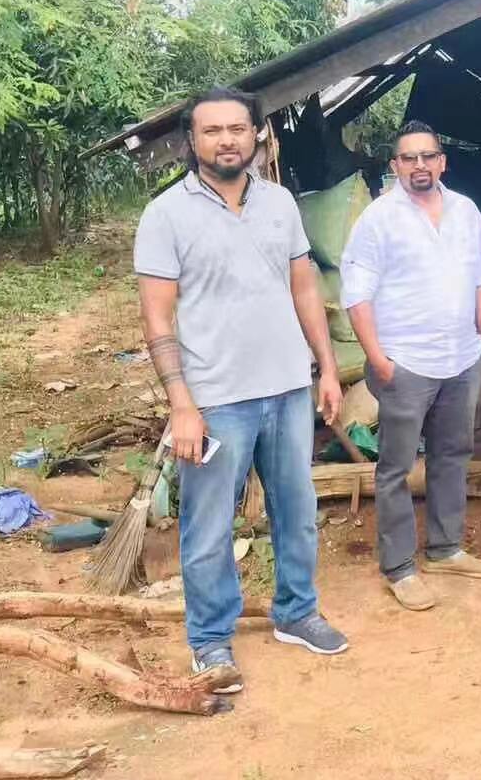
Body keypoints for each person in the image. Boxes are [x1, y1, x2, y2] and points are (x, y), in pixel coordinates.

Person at [133, 86, 348, 694]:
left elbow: (305, 289)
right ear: (192, 141)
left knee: (297, 511)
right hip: (215, 399)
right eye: (212, 130)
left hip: (286, 388)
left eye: (237, 128)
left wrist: (326, 369)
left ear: (258, 134)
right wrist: (182, 405)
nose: (227, 139)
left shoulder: (281, 204)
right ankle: (209, 640)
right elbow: (156, 318)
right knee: (208, 527)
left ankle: (297, 612)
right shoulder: (166, 215)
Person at [340, 121, 481, 611]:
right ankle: (400, 567)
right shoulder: (378, 219)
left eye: (428, 156)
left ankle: (446, 548)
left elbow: (480, 273)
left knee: (452, 455)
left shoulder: (465, 210)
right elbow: (356, 292)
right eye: (409, 158)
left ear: (442, 162)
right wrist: (378, 359)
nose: (420, 165)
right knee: (396, 467)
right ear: (395, 166)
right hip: (405, 364)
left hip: (461, 358)